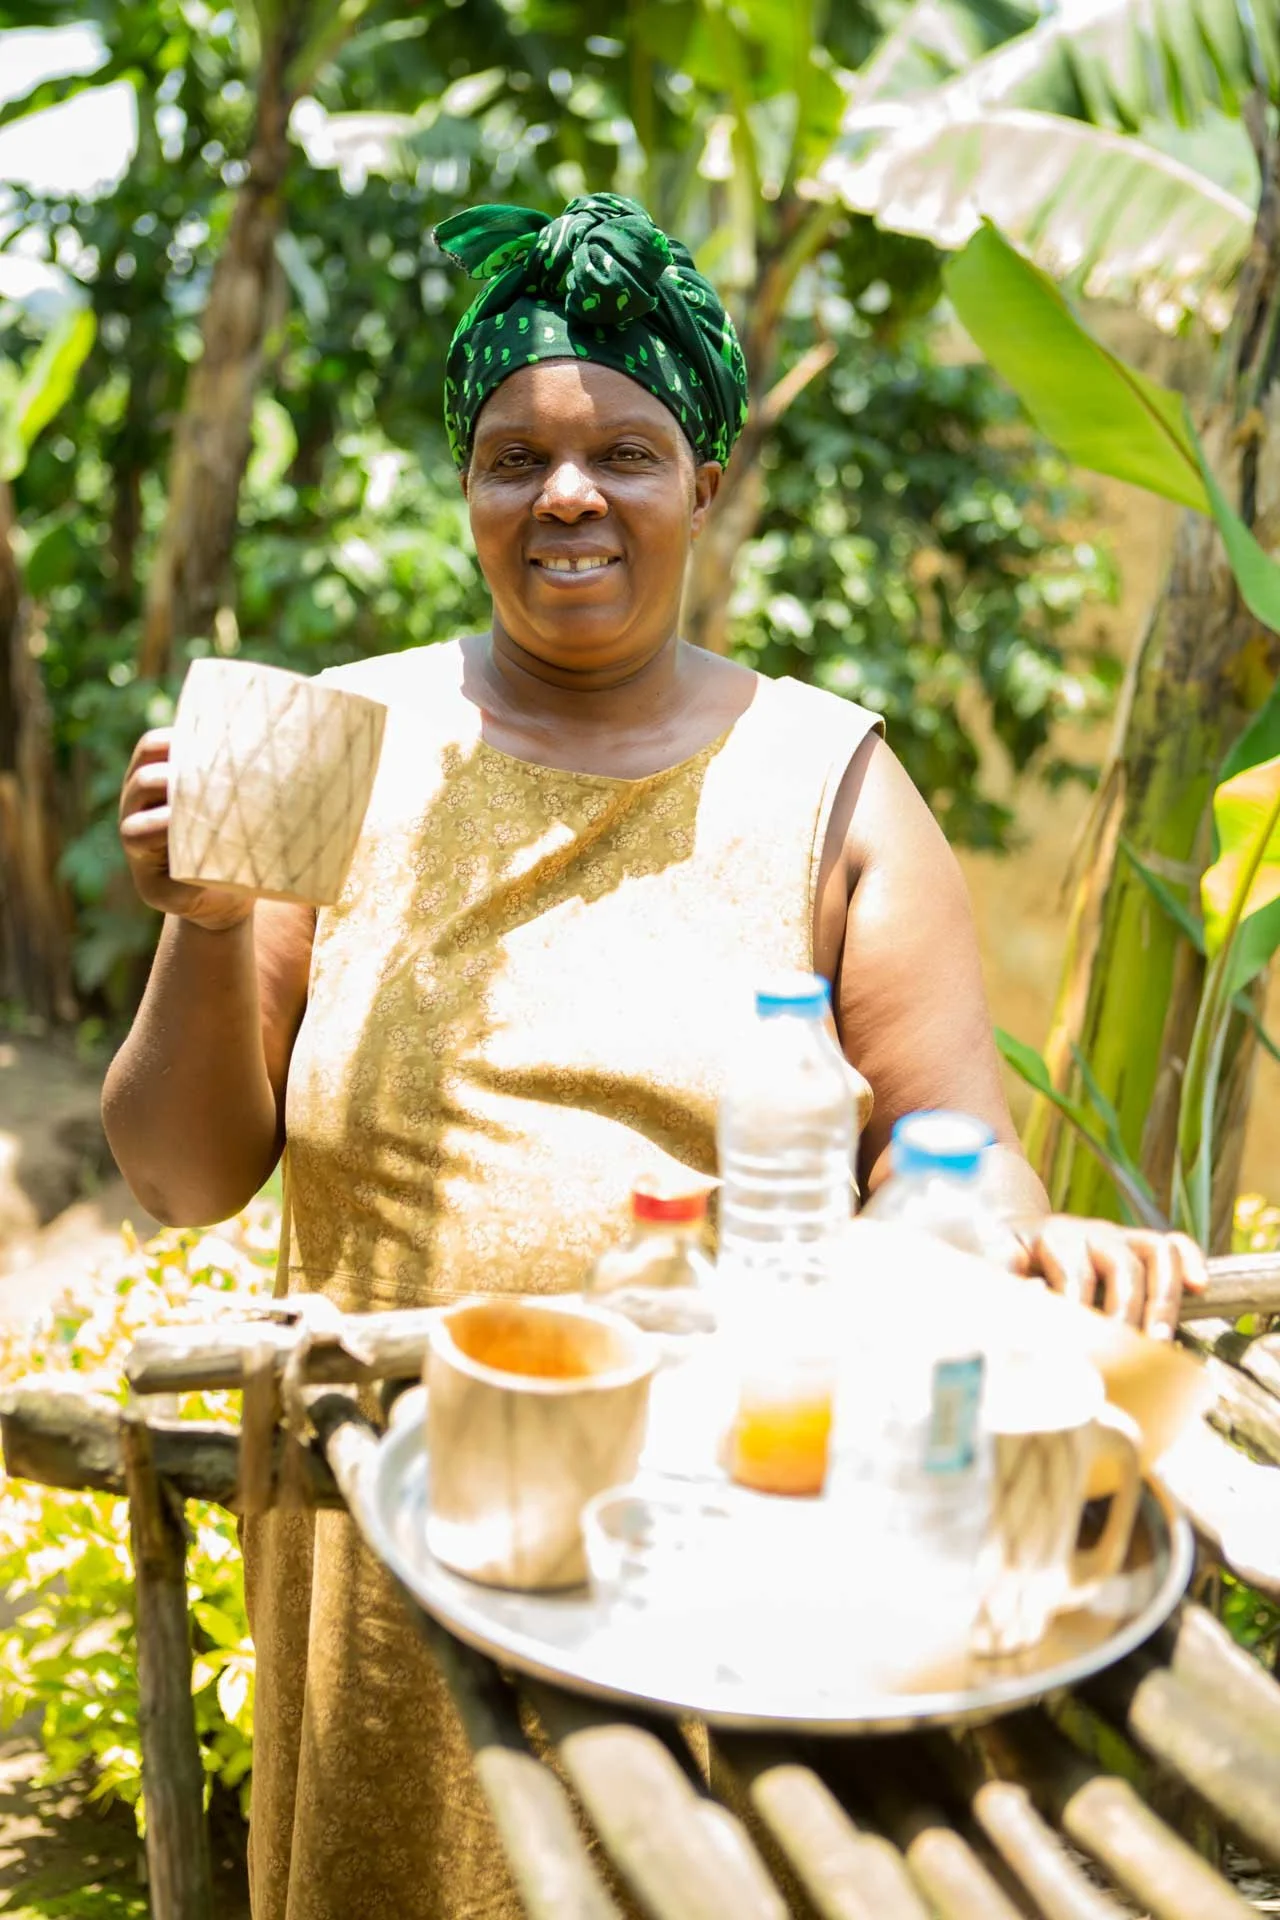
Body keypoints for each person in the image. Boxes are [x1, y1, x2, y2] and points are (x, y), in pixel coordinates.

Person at [103, 193, 1204, 1920]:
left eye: (626, 448)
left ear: (706, 480)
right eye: (511, 454)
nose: (565, 494)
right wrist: (215, 913)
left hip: (705, 1560)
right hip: (384, 1561)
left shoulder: (830, 786)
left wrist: (1008, 1231)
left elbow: (956, 1160)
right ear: (465, 490)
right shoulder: (347, 742)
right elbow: (179, 1178)